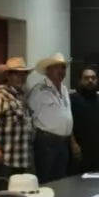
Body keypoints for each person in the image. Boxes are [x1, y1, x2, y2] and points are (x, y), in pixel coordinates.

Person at [0, 57, 34, 190]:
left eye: (24, 74)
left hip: (21, 159)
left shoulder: (21, 96)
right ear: (8, 76)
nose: (21, 77)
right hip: (5, 159)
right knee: (2, 196)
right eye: (17, 74)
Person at [29, 53, 75, 183]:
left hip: (63, 142)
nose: (61, 71)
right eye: (56, 67)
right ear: (47, 70)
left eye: (63, 67)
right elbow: (30, 114)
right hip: (47, 142)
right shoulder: (39, 90)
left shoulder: (64, 89)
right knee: (46, 179)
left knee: (61, 180)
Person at [70, 66, 99, 173]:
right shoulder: (72, 99)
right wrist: (73, 144)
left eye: (93, 78)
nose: (90, 80)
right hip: (79, 150)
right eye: (86, 78)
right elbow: (67, 125)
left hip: (98, 151)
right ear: (80, 80)